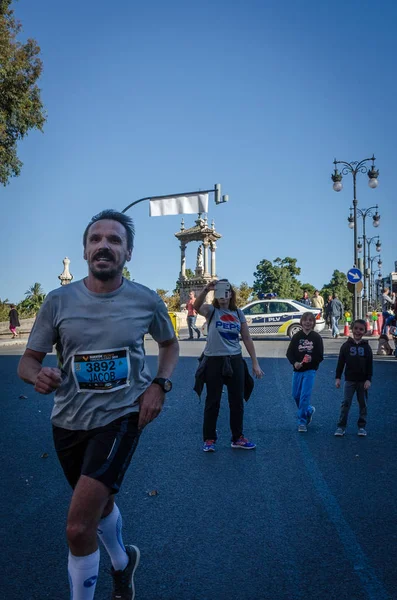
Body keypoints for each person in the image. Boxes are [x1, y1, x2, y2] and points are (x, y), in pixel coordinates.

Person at [18, 210, 179, 600]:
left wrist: (159, 384)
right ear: (86, 250)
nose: (103, 245)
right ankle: (123, 563)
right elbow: (28, 360)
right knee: (100, 505)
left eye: (114, 240)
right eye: (96, 239)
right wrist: (37, 376)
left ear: (128, 253)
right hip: (68, 421)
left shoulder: (147, 300)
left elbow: (170, 345)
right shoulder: (57, 301)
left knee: (77, 527)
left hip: (122, 417)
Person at [193, 279, 263, 452]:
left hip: (234, 360)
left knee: (236, 401)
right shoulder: (211, 311)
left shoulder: (239, 314)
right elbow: (196, 306)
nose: (223, 295)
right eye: (219, 291)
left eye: (226, 291)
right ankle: (209, 439)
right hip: (214, 360)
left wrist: (255, 363)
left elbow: (246, 338)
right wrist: (206, 290)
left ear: (231, 294)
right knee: (213, 401)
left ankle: (237, 437)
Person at [286, 312, 324, 433]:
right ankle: (308, 410)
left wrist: (312, 359)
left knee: (304, 396)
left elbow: (320, 355)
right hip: (297, 370)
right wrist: (294, 363)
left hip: (310, 371)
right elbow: (289, 353)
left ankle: (302, 421)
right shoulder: (297, 336)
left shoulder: (316, 337)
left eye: (311, 320)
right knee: (296, 395)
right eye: (305, 320)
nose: (308, 322)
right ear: (301, 322)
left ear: (314, 323)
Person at [334, 319, 373, 437]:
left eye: (361, 329)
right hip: (349, 380)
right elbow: (340, 363)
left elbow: (370, 365)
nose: (358, 331)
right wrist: (338, 378)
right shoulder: (345, 346)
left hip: (363, 381)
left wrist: (368, 379)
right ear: (352, 329)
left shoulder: (367, 348)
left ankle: (362, 427)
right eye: (356, 328)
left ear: (365, 331)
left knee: (363, 404)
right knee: (346, 403)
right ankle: (341, 426)